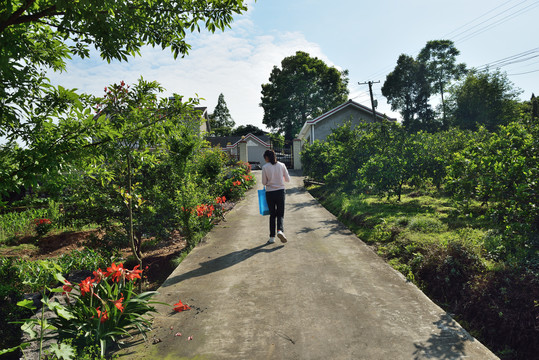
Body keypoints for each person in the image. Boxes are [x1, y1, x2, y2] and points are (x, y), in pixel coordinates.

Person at [261, 149, 290, 244]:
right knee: (280, 214)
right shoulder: (282, 165)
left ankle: (272, 237)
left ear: (267, 157)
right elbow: (288, 179)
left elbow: (264, 182)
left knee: (272, 215)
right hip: (280, 192)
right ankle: (280, 231)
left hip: (270, 193)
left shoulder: (265, 167)